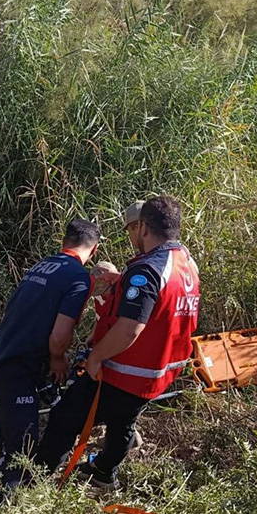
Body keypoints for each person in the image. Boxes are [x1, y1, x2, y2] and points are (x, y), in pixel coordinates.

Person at [35, 196, 200, 489]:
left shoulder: (148, 270)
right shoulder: (185, 262)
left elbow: (129, 329)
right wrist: (122, 279)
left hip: (125, 372)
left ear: (145, 227)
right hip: (158, 372)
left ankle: (35, 478)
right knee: (122, 422)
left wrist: (96, 357)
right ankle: (103, 473)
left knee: (66, 417)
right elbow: (160, 301)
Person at [0, 220, 100, 486]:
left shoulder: (42, 265)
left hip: (0, 353)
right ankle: (10, 494)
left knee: (3, 419)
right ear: (94, 250)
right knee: (23, 441)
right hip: (18, 366)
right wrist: (57, 359)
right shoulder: (78, 277)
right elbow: (60, 334)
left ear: (65, 241)